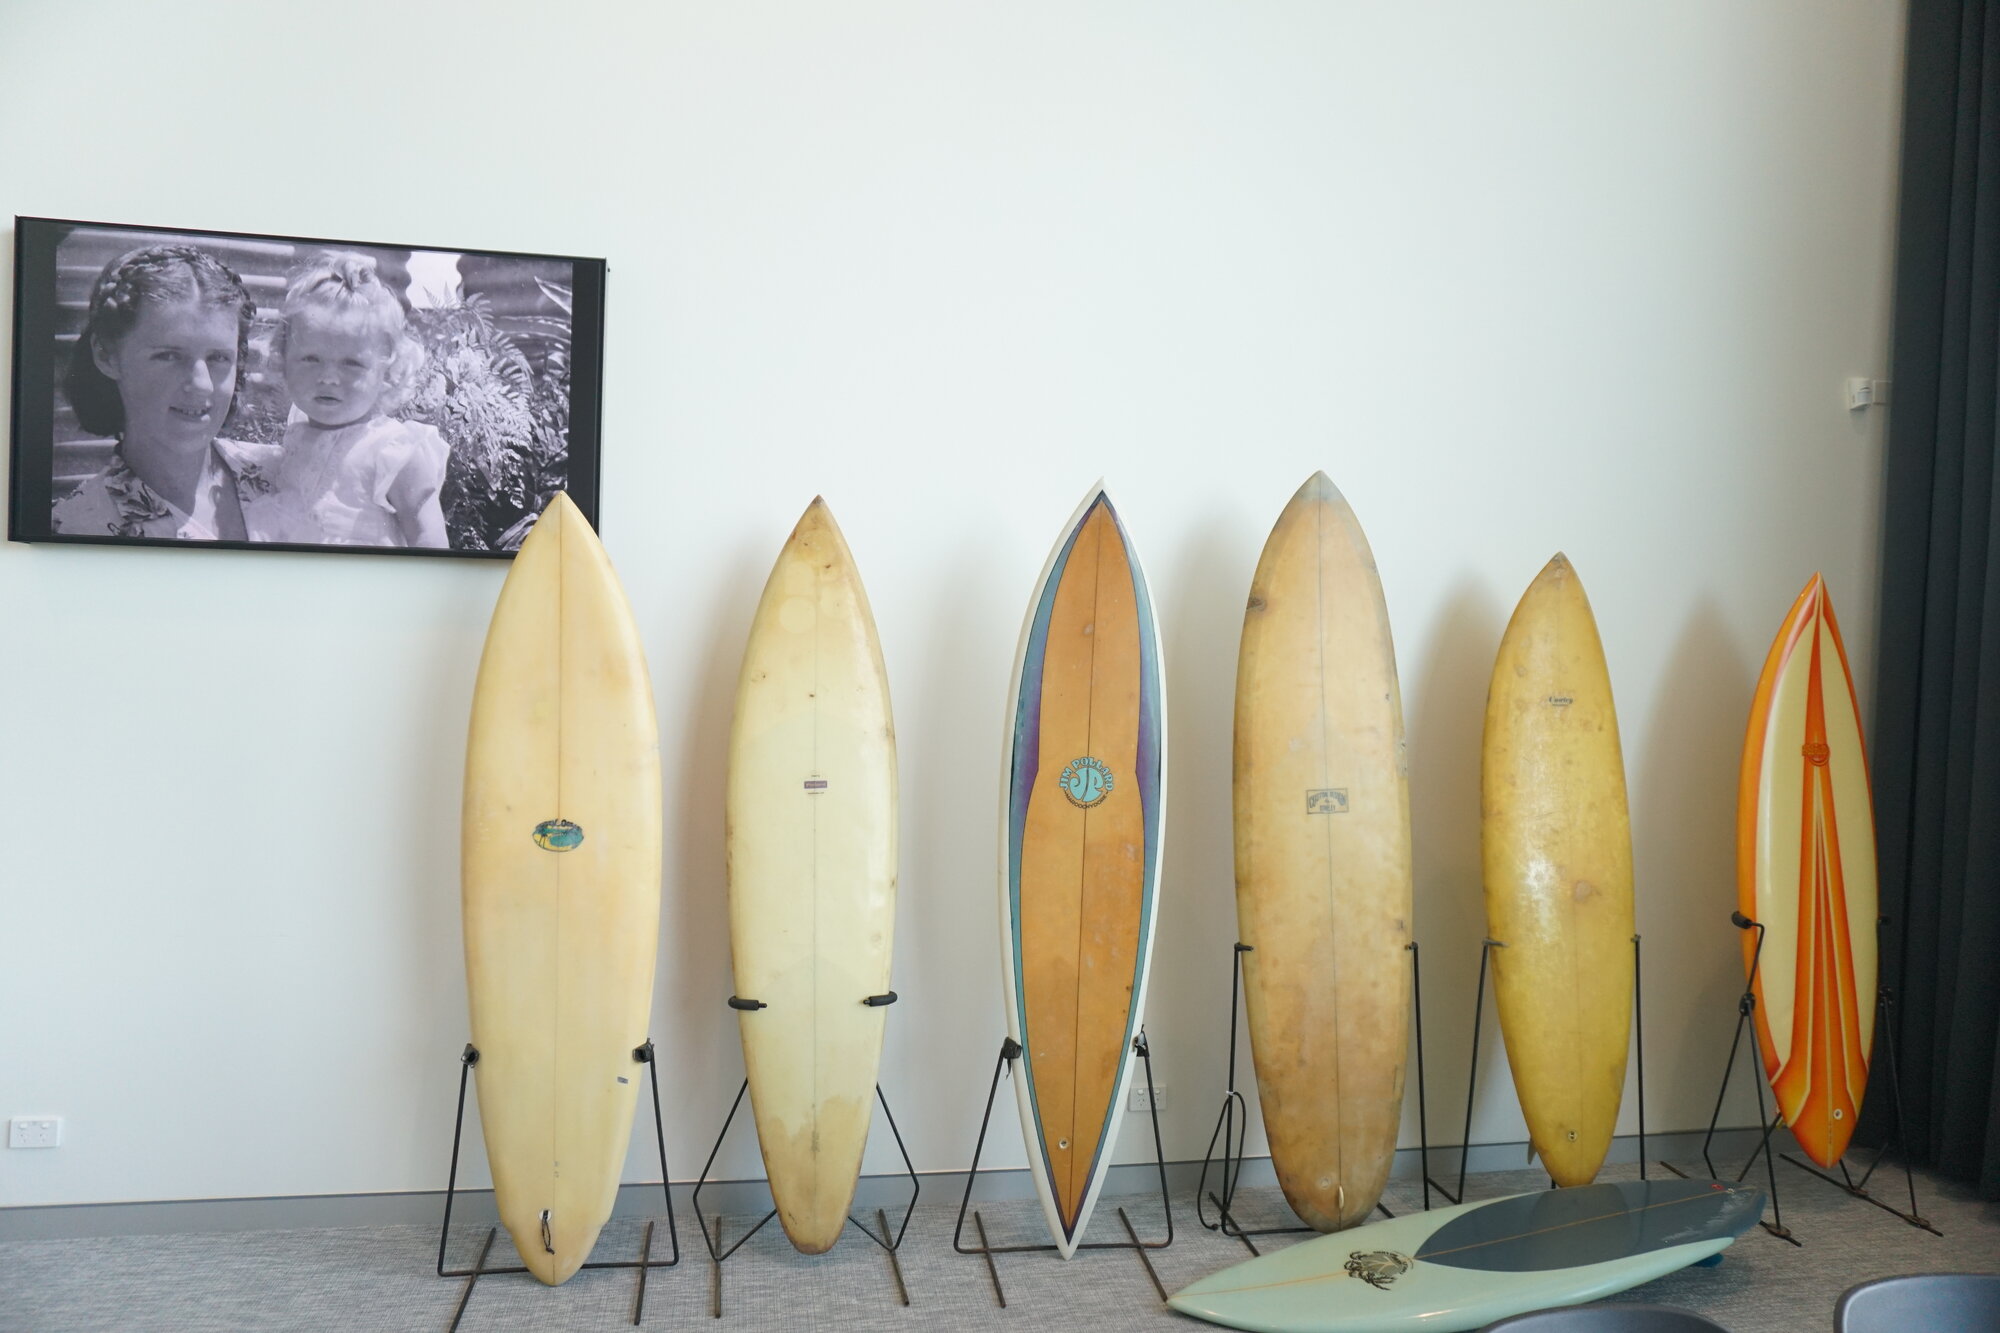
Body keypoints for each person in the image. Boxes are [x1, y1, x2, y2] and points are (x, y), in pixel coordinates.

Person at [52, 245, 271, 540]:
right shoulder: (77, 526)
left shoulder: (287, 475)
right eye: (169, 356)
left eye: (218, 358)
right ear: (106, 356)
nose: (202, 384)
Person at [256, 251, 449, 548]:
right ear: (283, 361)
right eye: (311, 359)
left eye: (351, 364)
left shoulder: (393, 450)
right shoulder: (297, 433)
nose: (329, 377)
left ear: (388, 371)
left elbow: (429, 537)